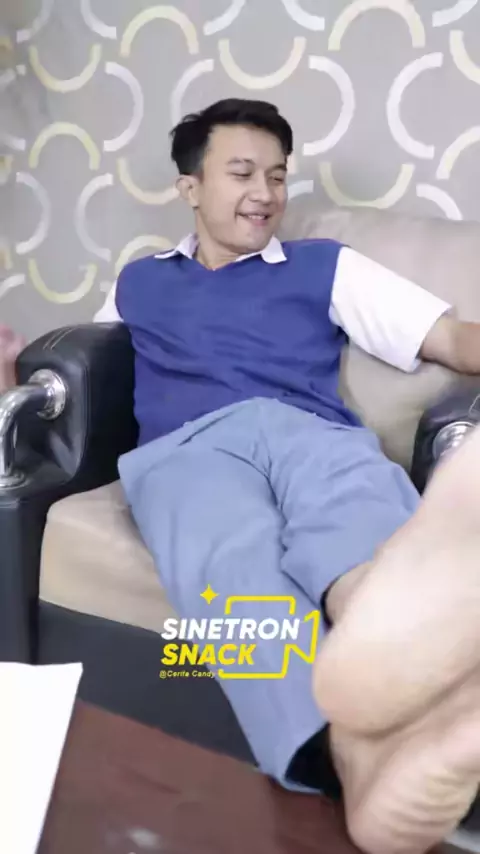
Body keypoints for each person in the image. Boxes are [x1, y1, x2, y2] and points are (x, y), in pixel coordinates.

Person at [2, 99, 480, 853]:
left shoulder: (324, 266)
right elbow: (77, 380)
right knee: (231, 557)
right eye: (243, 173)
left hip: (308, 430)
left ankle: (389, 649)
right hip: (187, 449)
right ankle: (355, 761)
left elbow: (451, 338)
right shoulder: (141, 282)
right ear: (191, 187)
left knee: (355, 504)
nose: (265, 193)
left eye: (278, 177)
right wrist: (13, 373)